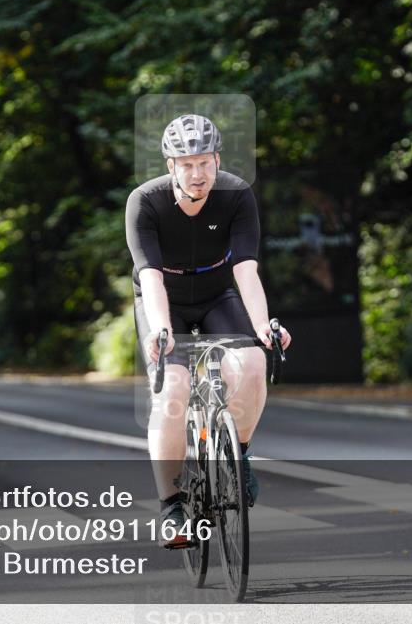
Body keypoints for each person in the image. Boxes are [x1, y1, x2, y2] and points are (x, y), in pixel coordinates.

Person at [125, 114, 292, 549]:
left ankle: (240, 454)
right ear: (171, 167)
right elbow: (151, 279)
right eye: (187, 164)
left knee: (253, 363)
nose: (197, 174)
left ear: (217, 160)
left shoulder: (237, 195)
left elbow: (247, 271)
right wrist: (161, 331)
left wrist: (263, 327)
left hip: (218, 296)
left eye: (205, 163)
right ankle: (172, 505)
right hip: (166, 301)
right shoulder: (145, 202)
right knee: (173, 388)